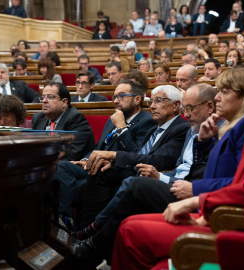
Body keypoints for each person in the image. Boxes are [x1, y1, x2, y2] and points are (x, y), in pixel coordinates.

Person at [71, 66, 244, 268]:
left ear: (243, 97)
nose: (217, 99)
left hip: (219, 211)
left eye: (224, 92)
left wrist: (196, 193)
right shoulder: (225, 126)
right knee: (118, 200)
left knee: (135, 191)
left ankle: (91, 246)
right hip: (206, 199)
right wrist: (203, 143)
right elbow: (210, 169)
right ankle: (91, 242)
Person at [74, 83, 216, 241]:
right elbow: (175, 164)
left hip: (174, 182)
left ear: (176, 105)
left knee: (130, 182)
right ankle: (84, 233)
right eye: (151, 102)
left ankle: (92, 234)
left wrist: (116, 150)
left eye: (158, 101)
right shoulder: (180, 130)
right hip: (155, 174)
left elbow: (158, 161)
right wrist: (113, 162)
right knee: (90, 174)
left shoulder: (183, 128)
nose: (153, 106)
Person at [53, 80, 156, 217]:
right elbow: (100, 146)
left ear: (137, 99)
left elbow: (135, 153)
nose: (115, 101)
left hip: (114, 169)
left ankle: (68, 221)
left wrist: (121, 127)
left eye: (121, 96)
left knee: (80, 186)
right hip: (95, 164)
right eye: (114, 97)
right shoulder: (113, 118)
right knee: (62, 167)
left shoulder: (147, 121)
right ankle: (65, 218)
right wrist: (86, 159)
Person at [32, 82, 95, 161]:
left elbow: (71, 155)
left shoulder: (75, 119)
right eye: (43, 97)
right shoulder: (38, 118)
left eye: (50, 97)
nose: (44, 101)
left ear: (64, 102)